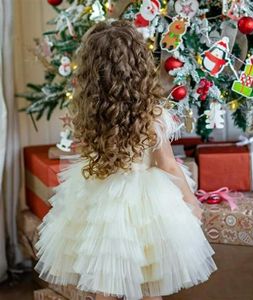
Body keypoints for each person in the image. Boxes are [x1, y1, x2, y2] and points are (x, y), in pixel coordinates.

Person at [35, 20, 216, 300]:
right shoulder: (151, 114)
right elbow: (166, 164)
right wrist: (190, 200)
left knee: (105, 282)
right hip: (146, 204)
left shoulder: (92, 111)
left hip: (99, 200)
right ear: (138, 64)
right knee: (148, 283)